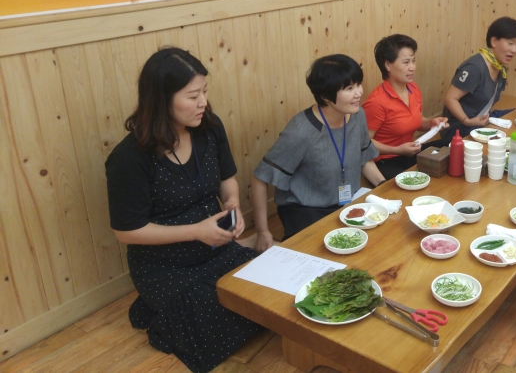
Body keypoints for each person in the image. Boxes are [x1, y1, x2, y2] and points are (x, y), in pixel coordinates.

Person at [105, 48, 263, 373]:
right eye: (193, 96)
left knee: (267, 293)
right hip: (165, 267)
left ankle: (173, 310)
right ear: (161, 100)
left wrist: (232, 205)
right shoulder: (129, 158)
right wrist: (196, 231)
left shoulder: (209, 127)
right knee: (218, 317)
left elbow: (227, 179)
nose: (203, 102)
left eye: (205, 91)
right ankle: (160, 313)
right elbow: (126, 231)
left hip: (218, 249)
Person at [251, 54, 385, 241]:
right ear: (325, 96)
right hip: (306, 209)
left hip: (347, 204)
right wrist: (262, 231)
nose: (358, 93)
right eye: (349, 88)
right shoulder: (301, 130)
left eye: (358, 84)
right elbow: (260, 178)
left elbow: (365, 160)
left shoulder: (357, 115)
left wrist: (384, 189)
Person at [362, 34, 449, 179]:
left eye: (413, 61)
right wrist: (397, 150)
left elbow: (416, 121)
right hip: (386, 161)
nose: (412, 67)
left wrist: (432, 123)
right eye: (406, 62)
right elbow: (364, 142)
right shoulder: (376, 101)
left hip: (410, 153)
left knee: (452, 144)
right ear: (388, 65)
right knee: (415, 182)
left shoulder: (413, 88)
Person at [440, 17, 516, 144]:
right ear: (494, 41)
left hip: (482, 119)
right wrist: (467, 121)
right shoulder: (474, 68)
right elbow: (450, 99)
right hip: (459, 127)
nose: (515, 50)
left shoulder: (501, 68)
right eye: (510, 43)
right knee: (498, 139)